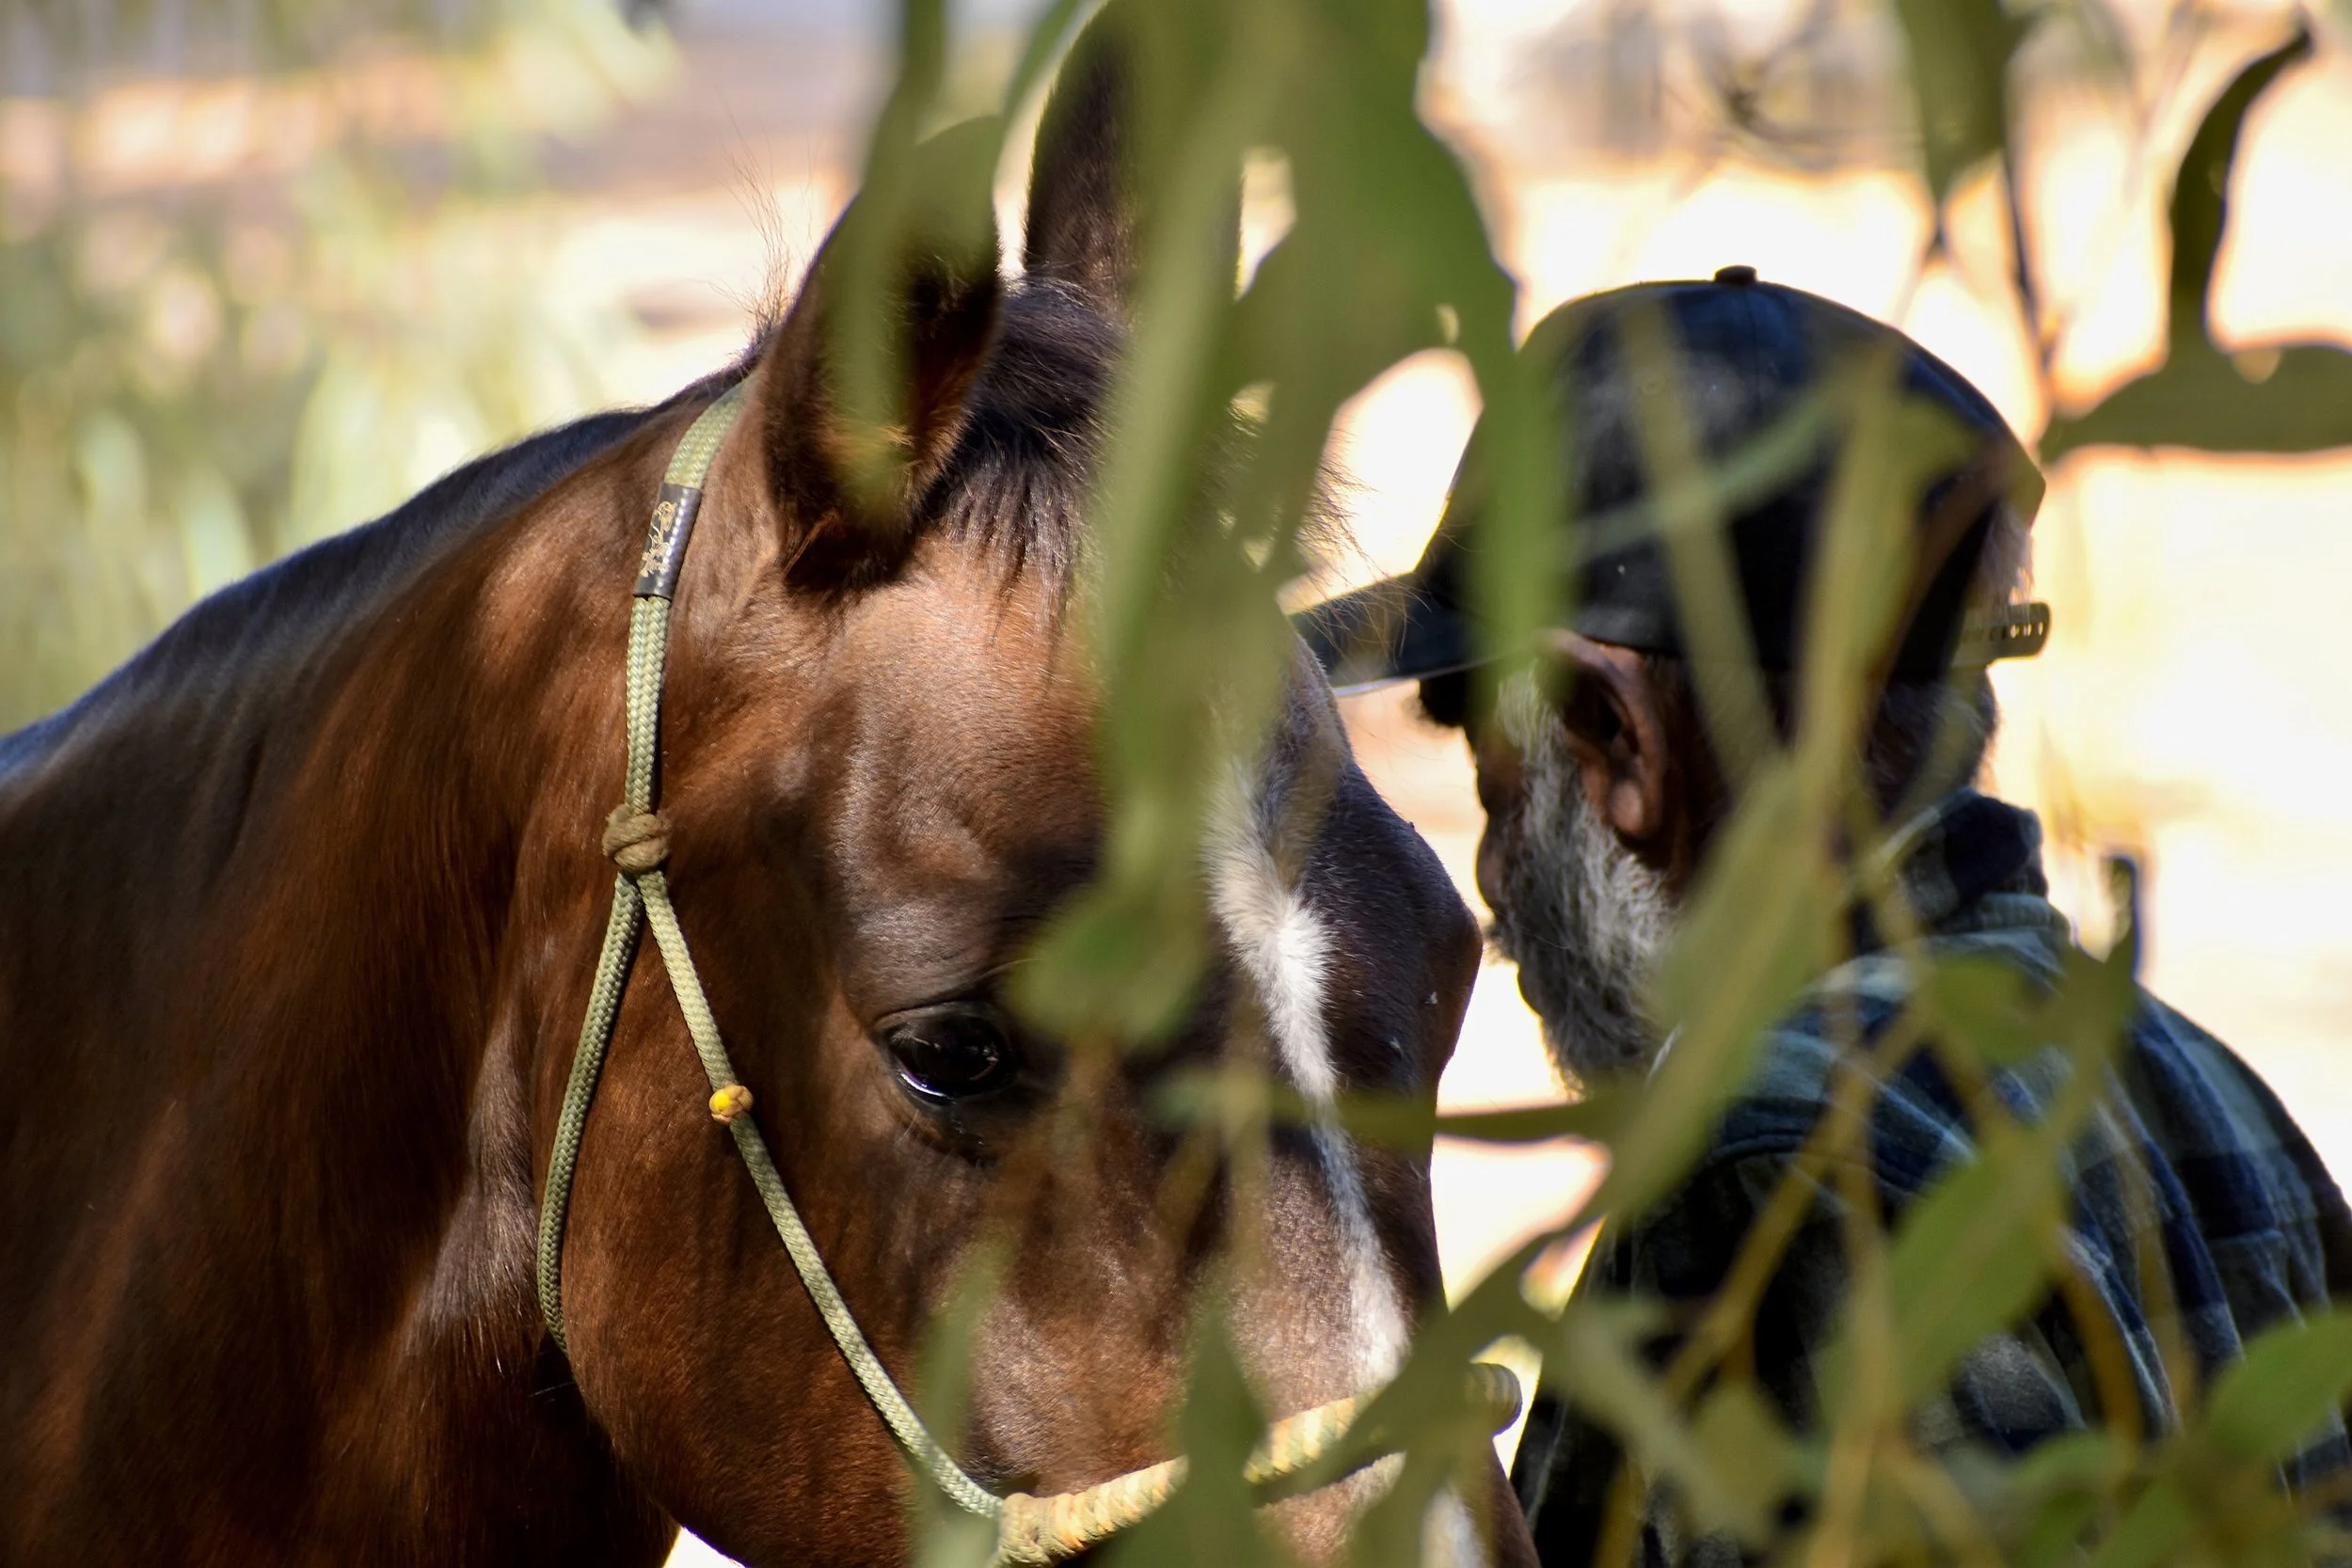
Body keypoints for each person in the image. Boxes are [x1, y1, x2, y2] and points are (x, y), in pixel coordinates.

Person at [1300, 266, 2352, 1564]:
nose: (1496, 891)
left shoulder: (1775, 1166)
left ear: (1615, 739)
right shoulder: (2194, 1078)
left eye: (1499, 790)